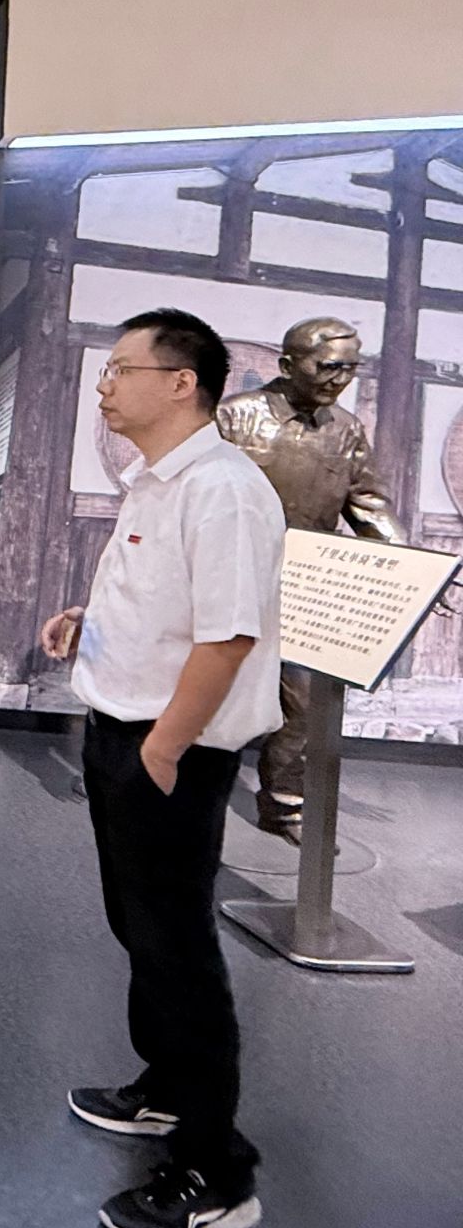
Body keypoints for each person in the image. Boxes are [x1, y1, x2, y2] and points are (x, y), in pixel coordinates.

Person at [41, 309, 281, 1228]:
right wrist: (88, 621)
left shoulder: (222, 489)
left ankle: (217, 1171)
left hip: (168, 749)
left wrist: (163, 749)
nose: (104, 386)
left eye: (120, 369)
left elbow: (227, 640)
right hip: (124, 732)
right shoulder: (161, 480)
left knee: (178, 950)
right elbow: (170, 606)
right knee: (140, 929)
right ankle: (169, 1088)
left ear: (182, 382)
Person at [216, 316, 401, 845]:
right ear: (287, 364)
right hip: (226, 577)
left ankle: (283, 805)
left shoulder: (346, 430)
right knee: (198, 687)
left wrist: (411, 569)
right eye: (328, 367)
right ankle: (152, 779)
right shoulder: (233, 417)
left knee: (305, 701)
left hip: (304, 586)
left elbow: (369, 505)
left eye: (350, 368)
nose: (339, 379)